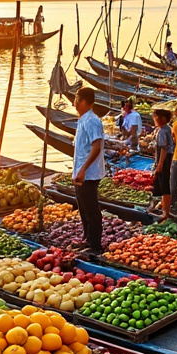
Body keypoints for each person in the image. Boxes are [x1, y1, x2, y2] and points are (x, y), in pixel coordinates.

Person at [72, 89, 106, 254]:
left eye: (77, 98)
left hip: (89, 173)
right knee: (83, 207)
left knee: (91, 209)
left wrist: (83, 169)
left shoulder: (92, 120)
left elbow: (96, 146)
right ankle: (87, 239)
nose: (75, 102)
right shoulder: (83, 119)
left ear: (83, 101)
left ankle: (94, 245)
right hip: (81, 171)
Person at [149, 108, 175, 219]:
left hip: (164, 159)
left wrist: (159, 165)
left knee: (164, 186)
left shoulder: (162, 131)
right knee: (161, 184)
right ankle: (161, 207)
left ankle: (166, 212)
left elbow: (163, 149)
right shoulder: (168, 128)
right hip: (167, 158)